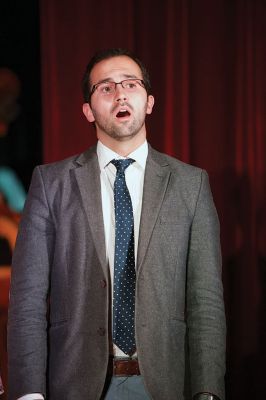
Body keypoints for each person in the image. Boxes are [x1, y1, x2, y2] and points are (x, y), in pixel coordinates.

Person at [7, 48, 226, 400]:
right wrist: (28, 393)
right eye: (105, 88)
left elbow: (206, 301)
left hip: (165, 384)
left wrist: (208, 391)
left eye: (130, 84)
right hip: (75, 383)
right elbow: (28, 300)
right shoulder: (51, 183)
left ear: (149, 102)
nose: (120, 93)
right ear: (88, 110)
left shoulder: (191, 184)